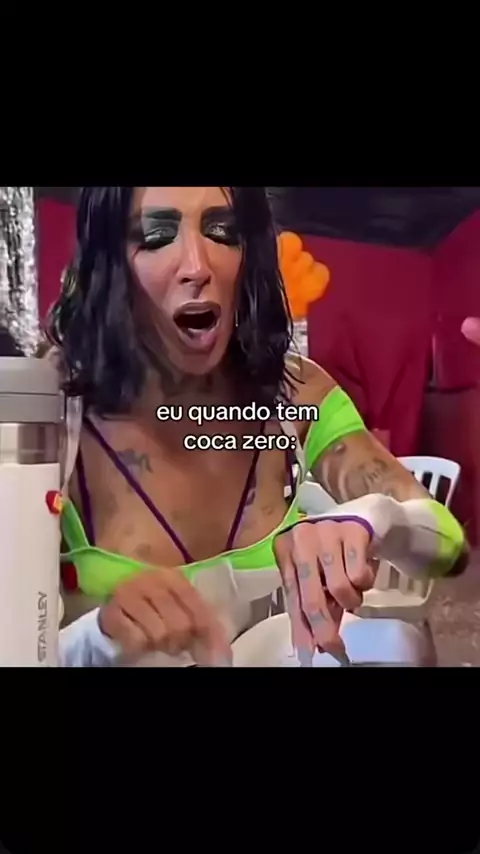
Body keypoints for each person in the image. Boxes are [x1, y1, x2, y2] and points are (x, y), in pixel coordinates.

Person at [45, 187, 467, 667]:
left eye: (222, 231)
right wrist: (96, 638)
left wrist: (375, 517)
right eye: (157, 236)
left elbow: (449, 547)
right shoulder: (48, 412)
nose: (197, 266)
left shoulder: (295, 392)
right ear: (109, 263)